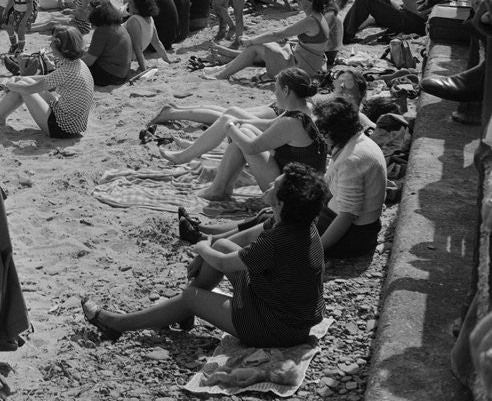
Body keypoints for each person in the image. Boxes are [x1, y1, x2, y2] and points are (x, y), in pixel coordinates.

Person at [81, 163, 326, 347]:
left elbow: (222, 262)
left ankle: (118, 324)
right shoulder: (297, 223)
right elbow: (237, 241)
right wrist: (210, 247)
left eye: (276, 184)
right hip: (279, 306)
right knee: (218, 247)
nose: (270, 183)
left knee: (190, 295)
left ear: (281, 203)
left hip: (275, 329)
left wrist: (200, 247)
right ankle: (182, 311)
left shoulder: (278, 242)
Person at [163, 68, 327, 201]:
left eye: (275, 88)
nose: (274, 93)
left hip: (292, 191)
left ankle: (217, 187)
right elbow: (270, 125)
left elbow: (251, 148)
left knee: (240, 136)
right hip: (301, 181)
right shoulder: (305, 109)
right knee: (235, 121)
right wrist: (236, 121)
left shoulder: (293, 122)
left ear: (286, 90)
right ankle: (218, 186)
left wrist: (231, 127)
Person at [0, 25, 93, 138]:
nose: (52, 49)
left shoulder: (66, 71)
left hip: (62, 128)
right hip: (74, 123)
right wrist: (21, 78)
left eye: (53, 47)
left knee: (23, 86)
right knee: (25, 81)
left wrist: (9, 84)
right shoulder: (78, 64)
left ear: (62, 49)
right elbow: (48, 79)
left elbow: (28, 90)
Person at [204, 0, 331, 80]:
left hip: (304, 70)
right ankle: (224, 67)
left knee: (256, 46)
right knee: (267, 46)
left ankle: (221, 74)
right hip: (309, 64)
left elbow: (278, 33)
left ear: (311, 0)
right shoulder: (318, 17)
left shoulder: (310, 21)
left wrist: (251, 40)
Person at [313, 97, 387, 258]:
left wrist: (317, 251)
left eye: (322, 130)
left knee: (284, 238)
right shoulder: (354, 142)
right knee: (275, 219)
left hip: (354, 234)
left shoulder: (351, 159)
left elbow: (348, 215)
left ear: (333, 131)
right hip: (341, 217)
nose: (320, 135)